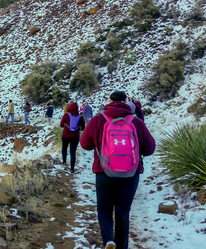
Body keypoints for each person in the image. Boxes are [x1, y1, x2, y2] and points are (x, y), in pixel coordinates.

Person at [80, 91, 155, 249]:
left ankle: (109, 241)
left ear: (109, 101)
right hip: (130, 174)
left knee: (104, 210)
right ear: (127, 102)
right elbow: (150, 149)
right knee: (123, 212)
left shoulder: (97, 120)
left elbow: (85, 144)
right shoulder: (136, 121)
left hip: (104, 172)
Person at [59, 102, 85, 173]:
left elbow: (61, 125)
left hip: (65, 136)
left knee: (64, 148)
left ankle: (64, 162)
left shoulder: (66, 115)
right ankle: (72, 169)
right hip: (75, 137)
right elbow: (83, 128)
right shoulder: (80, 117)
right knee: (72, 152)